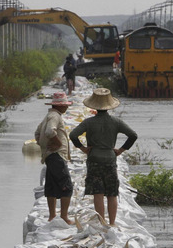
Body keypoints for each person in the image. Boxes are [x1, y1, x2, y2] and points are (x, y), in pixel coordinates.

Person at [69, 88, 137, 226]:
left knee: (98, 192)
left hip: (94, 159)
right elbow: (133, 135)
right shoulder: (116, 122)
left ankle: (102, 222)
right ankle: (112, 223)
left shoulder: (89, 122)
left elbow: (73, 135)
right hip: (110, 159)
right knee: (112, 193)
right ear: (109, 107)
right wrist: (120, 150)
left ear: (94, 106)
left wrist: (83, 149)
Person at [34, 92, 74, 224]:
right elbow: (50, 131)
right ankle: (64, 216)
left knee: (51, 185)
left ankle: (52, 216)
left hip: (49, 156)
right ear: (60, 106)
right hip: (57, 156)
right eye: (65, 105)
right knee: (66, 186)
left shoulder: (48, 116)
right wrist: (57, 143)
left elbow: (37, 133)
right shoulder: (55, 116)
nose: (66, 108)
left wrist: (43, 145)